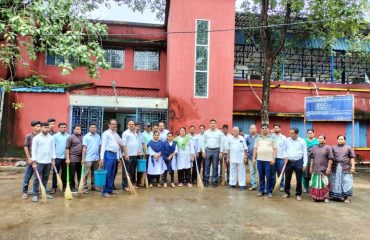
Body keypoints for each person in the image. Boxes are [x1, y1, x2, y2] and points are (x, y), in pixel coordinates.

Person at [31, 122, 55, 202]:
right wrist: (34, 162)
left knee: (45, 178)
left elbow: (53, 149)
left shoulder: (51, 138)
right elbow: (33, 150)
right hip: (39, 162)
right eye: (45, 127)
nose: (46, 129)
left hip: (48, 162)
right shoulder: (36, 138)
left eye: (47, 127)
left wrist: (53, 159)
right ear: (41, 128)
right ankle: (35, 194)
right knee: (37, 179)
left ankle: (43, 193)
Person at [100, 119, 123, 198]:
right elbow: (103, 146)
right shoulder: (106, 133)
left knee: (113, 173)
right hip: (108, 154)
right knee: (107, 173)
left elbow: (121, 143)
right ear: (109, 125)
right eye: (113, 124)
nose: (114, 125)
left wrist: (118, 155)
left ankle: (110, 189)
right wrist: (101, 158)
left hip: (114, 154)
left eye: (115, 124)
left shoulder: (116, 134)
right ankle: (104, 191)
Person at [252, 123, 277, 198]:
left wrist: (273, 158)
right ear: (261, 129)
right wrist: (253, 158)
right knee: (261, 176)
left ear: (268, 129)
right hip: (259, 160)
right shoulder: (257, 138)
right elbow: (255, 149)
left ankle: (269, 191)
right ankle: (261, 191)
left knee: (269, 177)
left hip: (269, 161)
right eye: (263, 128)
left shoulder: (272, 138)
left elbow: (275, 149)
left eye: (266, 128)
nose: (264, 129)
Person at [283, 128, 308, 201]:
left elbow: (305, 153)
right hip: (289, 161)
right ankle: (287, 192)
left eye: (292, 133)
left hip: (298, 161)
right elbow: (284, 150)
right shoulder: (287, 140)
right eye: (290, 133)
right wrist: (285, 156)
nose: (290, 135)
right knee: (287, 178)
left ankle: (298, 194)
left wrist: (305, 164)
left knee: (299, 179)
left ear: (297, 134)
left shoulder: (302, 141)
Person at [329, 135, 356, 203]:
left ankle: (345, 197)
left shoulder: (349, 148)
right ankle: (335, 197)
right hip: (335, 167)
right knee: (334, 182)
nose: (340, 140)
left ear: (344, 140)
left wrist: (353, 167)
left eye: (342, 139)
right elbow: (330, 158)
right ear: (337, 140)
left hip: (345, 167)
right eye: (339, 139)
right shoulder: (333, 147)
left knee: (346, 182)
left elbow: (352, 158)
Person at [309, 135, 333, 203]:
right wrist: (311, 167)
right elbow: (312, 158)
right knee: (315, 184)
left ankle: (325, 197)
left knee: (324, 184)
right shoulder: (314, 147)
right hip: (315, 169)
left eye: (321, 138)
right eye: (318, 138)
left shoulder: (328, 148)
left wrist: (328, 168)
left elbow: (330, 159)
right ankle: (315, 197)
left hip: (324, 169)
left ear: (325, 140)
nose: (319, 139)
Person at [22, 121, 41, 199]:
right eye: (37, 126)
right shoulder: (29, 136)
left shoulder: (41, 136)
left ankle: (35, 191)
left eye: (40, 126)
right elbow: (26, 147)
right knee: (27, 176)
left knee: (38, 177)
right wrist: (29, 158)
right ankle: (24, 192)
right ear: (32, 127)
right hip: (31, 160)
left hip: (39, 160)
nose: (39, 128)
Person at [202, 119, 223, 187]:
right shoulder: (206, 132)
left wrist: (221, 152)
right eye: (211, 123)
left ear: (216, 124)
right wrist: (203, 151)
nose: (212, 124)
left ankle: (214, 181)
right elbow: (203, 142)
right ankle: (206, 181)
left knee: (215, 166)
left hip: (216, 150)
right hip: (208, 150)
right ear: (209, 124)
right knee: (207, 166)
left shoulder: (219, 133)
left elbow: (221, 143)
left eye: (214, 123)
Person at [81, 123, 101, 193]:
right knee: (85, 173)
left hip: (96, 158)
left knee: (94, 173)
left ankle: (94, 186)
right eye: (91, 127)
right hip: (88, 158)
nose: (93, 128)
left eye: (94, 127)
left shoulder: (98, 136)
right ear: (89, 128)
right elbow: (84, 148)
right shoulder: (86, 137)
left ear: (96, 128)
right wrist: (83, 158)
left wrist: (100, 157)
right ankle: (84, 187)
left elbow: (99, 147)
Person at [50, 122, 69, 194]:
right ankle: (54, 187)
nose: (63, 128)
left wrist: (68, 158)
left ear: (66, 128)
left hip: (65, 158)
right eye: (61, 127)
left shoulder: (69, 136)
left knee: (64, 173)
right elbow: (52, 147)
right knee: (55, 173)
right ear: (59, 128)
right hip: (57, 157)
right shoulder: (55, 136)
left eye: (64, 127)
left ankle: (64, 186)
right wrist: (53, 158)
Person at [227, 127, 248, 191]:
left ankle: (242, 185)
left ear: (239, 132)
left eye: (236, 131)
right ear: (232, 131)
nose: (235, 132)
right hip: (232, 158)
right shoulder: (230, 139)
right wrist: (228, 157)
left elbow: (245, 149)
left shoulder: (242, 139)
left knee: (241, 172)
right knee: (232, 172)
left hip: (241, 159)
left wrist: (245, 157)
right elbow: (228, 149)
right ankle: (232, 184)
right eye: (234, 130)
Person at [122, 120, 140, 191]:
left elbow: (135, 143)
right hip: (128, 155)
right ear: (127, 125)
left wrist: (137, 151)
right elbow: (124, 144)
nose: (131, 125)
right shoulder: (125, 133)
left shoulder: (135, 133)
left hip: (134, 155)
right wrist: (126, 154)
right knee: (126, 171)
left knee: (132, 171)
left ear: (134, 126)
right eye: (130, 124)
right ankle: (125, 185)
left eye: (132, 124)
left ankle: (131, 184)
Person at [66, 125, 83, 193]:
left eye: (80, 129)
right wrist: (67, 158)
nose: (79, 130)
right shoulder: (70, 138)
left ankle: (80, 187)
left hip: (80, 159)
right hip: (72, 159)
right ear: (74, 130)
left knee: (80, 174)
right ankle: (72, 187)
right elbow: (67, 148)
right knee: (72, 174)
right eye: (77, 129)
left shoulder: (82, 137)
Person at [272, 123, 287, 192]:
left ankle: (282, 186)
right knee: (272, 172)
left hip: (281, 158)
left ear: (280, 129)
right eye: (275, 128)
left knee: (281, 172)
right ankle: (273, 185)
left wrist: (285, 157)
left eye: (277, 128)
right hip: (272, 158)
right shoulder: (270, 137)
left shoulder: (284, 138)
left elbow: (285, 148)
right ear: (273, 129)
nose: (276, 129)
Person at [303, 129, 319, 193]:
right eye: (309, 133)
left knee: (311, 173)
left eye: (311, 133)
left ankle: (311, 187)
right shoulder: (304, 140)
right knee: (304, 173)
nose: (310, 134)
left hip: (313, 160)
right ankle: (305, 187)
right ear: (307, 134)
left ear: (314, 133)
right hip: (305, 159)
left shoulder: (316, 141)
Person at [245, 124, 259, 191]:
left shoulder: (259, 137)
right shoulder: (248, 138)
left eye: (253, 128)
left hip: (258, 157)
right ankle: (253, 185)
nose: (252, 129)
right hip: (250, 157)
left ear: (256, 129)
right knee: (252, 172)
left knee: (259, 172)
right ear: (249, 130)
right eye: (251, 128)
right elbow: (246, 146)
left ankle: (260, 185)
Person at [135, 122, 146, 187]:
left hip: (140, 154)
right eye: (137, 126)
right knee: (133, 169)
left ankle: (138, 181)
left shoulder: (141, 134)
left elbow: (143, 144)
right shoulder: (132, 134)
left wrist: (144, 152)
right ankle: (132, 182)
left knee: (140, 169)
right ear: (134, 127)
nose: (138, 128)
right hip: (133, 154)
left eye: (139, 127)